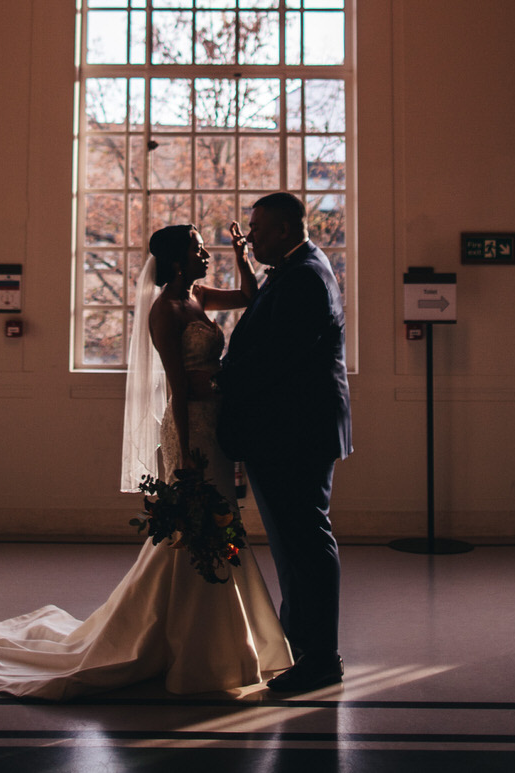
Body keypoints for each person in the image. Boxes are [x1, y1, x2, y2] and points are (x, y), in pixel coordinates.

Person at [0, 224, 291, 698]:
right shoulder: (165, 311)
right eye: (198, 249)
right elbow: (177, 388)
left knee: (222, 521)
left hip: (219, 426)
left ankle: (225, 632)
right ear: (177, 260)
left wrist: (242, 256)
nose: (206, 255)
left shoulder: (201, 294)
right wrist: (185, 455)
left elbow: (247, 295)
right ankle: (194, 637)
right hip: (192, 429)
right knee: (196, 523)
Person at [216, 192, 352, 695]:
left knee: (305, 546)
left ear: (286, 230)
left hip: (293, 433)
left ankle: (319, 659)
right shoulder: (299, 270)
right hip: (288, 430)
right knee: (294, 547)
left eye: (258, 228)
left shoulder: (304, 278)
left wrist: (218, 381)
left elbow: (275, 361)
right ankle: (302, 648)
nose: (249, 237)